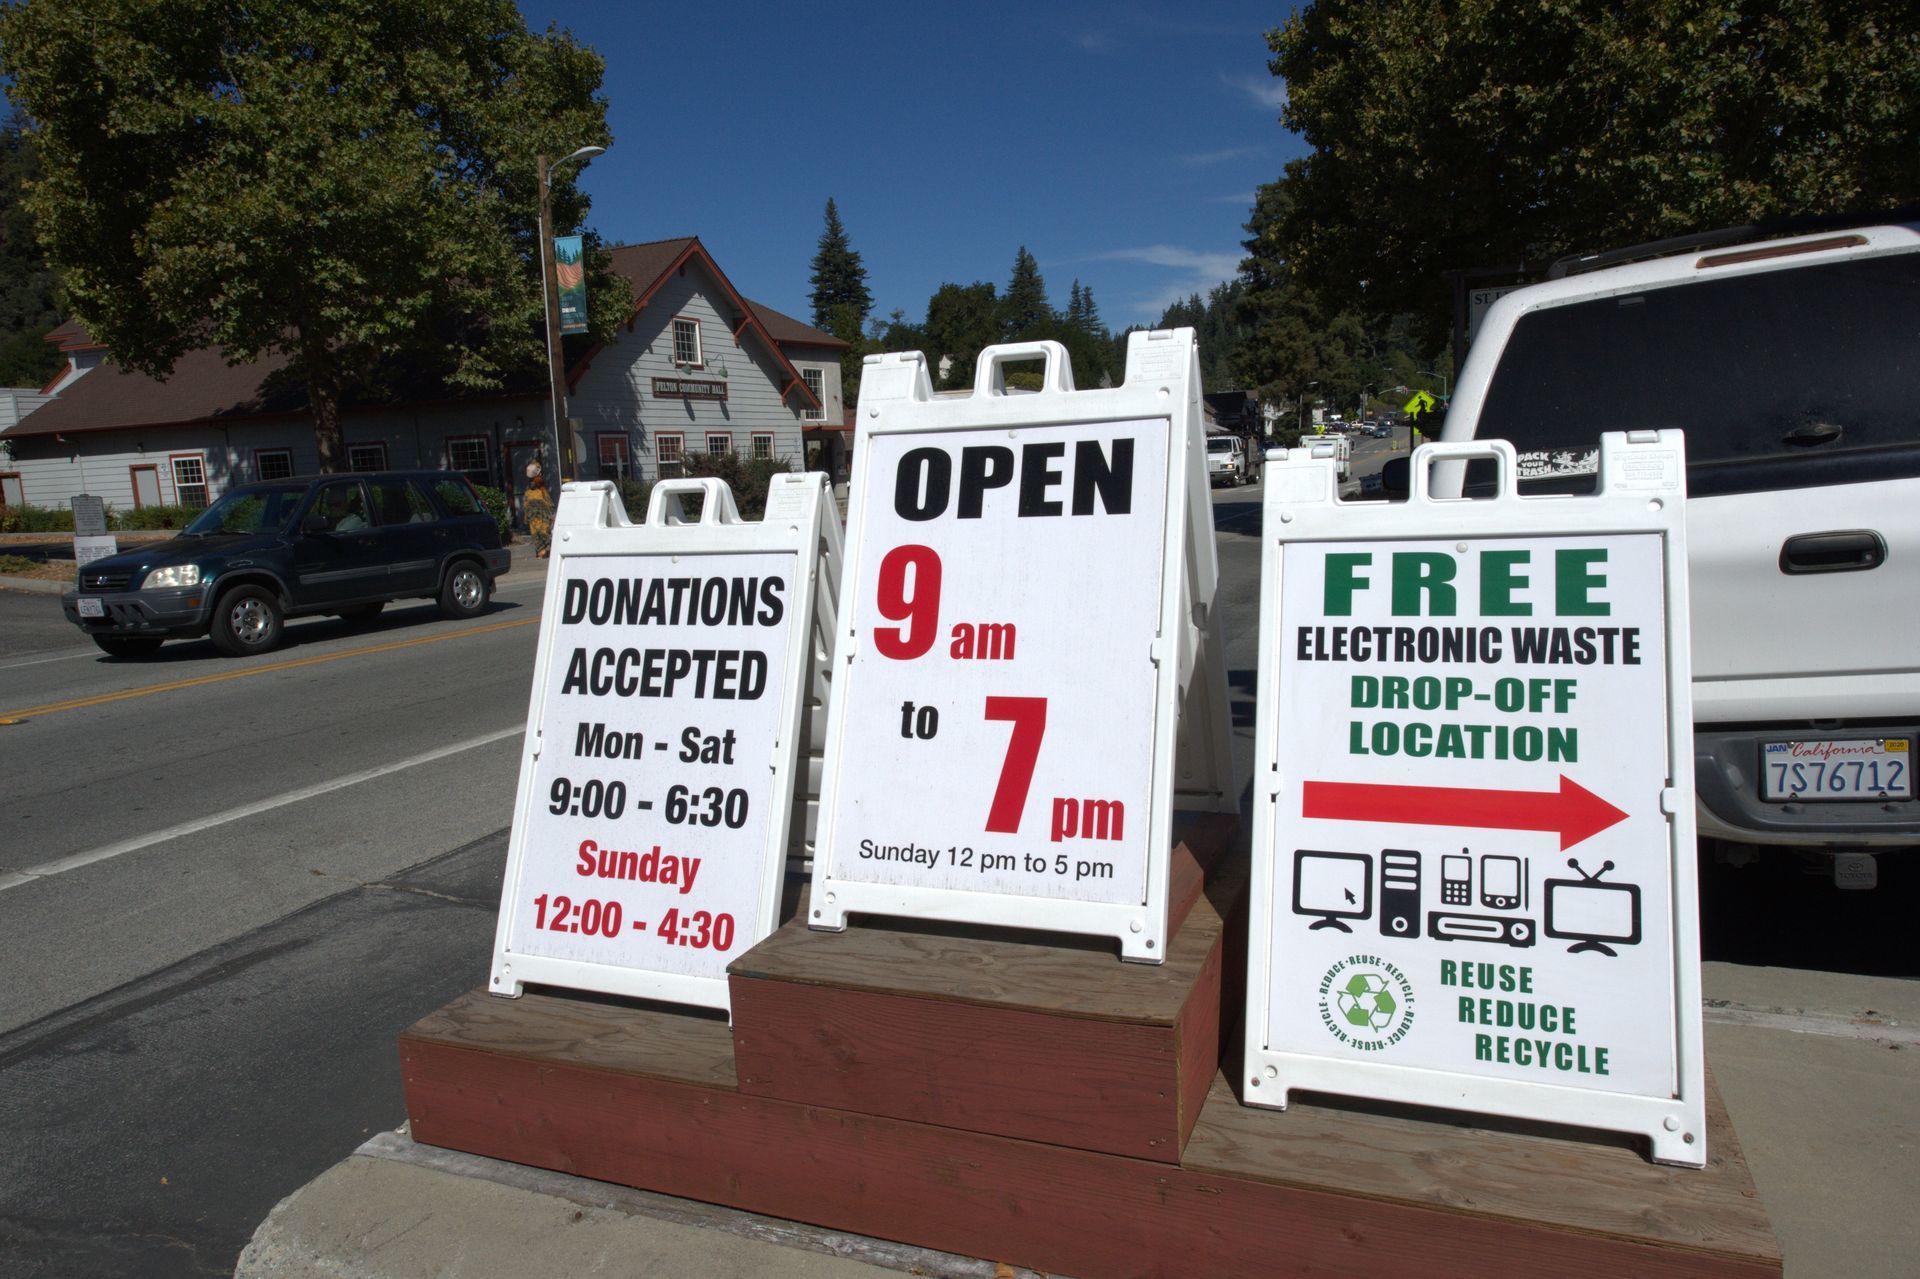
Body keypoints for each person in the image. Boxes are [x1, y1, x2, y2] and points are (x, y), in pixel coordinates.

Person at [523, 460, 554, 559]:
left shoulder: (541, 490)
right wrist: (526, 515)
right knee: (536, 532)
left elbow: (548, 503)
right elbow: (526, 504)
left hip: (542, 514)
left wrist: (551, 515)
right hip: (534, 515)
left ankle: (543, 551)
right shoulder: (529, 492)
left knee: (543, 531)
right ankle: (541, 551)